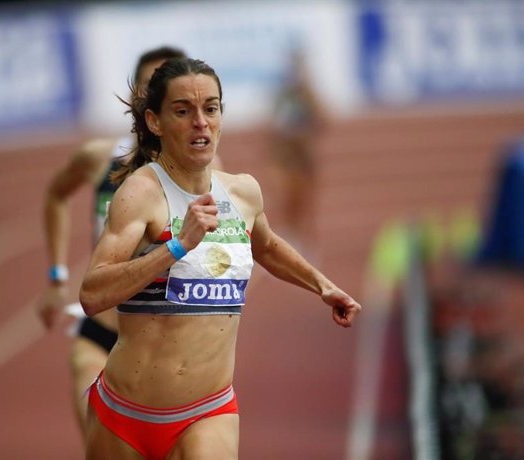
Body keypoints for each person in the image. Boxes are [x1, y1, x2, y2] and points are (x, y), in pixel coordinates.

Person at [79, 57, 362, 460]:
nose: (200, 121)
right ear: (154, 122)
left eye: (211, 108)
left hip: (209, 411)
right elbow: (92, 294)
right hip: (126, 418)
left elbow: (265, 245)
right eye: (183, 111)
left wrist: (322, 285)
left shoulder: (243, 192)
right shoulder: (140, 194)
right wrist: (176, 246)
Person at [37, 46, 191, 435]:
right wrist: (56, 276)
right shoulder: (100, 158)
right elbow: (56, 194)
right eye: (150, 87)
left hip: (164, 347)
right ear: (139, 100)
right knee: (98, 443)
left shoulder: (203, 173)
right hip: (100, 335)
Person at [271, 44, 329, 255]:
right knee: (287, 201)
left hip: (304, 159)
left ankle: (307, 243)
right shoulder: (282, 93)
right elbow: (272, 125)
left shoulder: (308, 93)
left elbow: (324, 120)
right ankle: (289, 240)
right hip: (286, 159)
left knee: (306, 202)